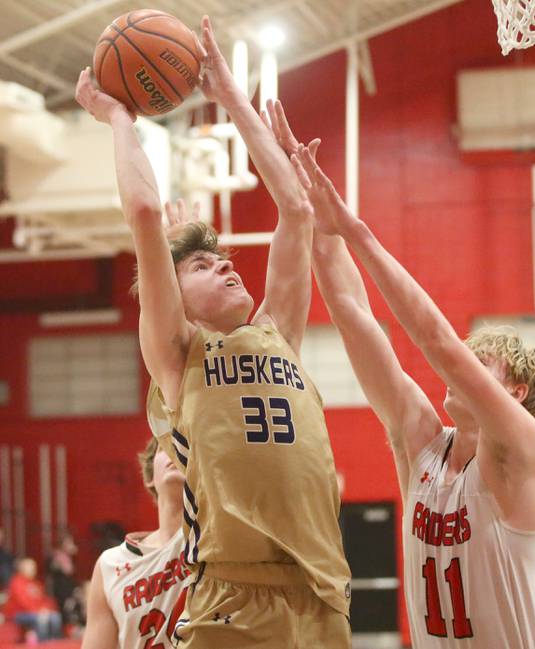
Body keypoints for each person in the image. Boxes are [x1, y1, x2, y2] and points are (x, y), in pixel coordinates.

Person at [74, 14, 351, 649]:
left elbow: (298, 208)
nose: (226, 264)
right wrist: (120, 120)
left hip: (322, 591)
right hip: (231, 593)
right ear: (174, 295)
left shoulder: (276, 333)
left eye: (222, 258)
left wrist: (230, 96)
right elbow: (143, 210)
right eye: (201, 264)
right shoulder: (178, 354)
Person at [293, 143, 535, 648]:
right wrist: (309, 213)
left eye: (479, 364)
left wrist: (354, 228)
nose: (459, 368)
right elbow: (353, 315)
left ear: (515, 392)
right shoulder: (423, 447)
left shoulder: (521, 450)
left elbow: (435, 340)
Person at [82, 432, 190, 649]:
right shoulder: (110, 565)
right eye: (165, 447)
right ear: (150, 476)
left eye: (185, 445)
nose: (175, 451)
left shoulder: (217, 538)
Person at [5, 557, 62, 643]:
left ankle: (55, 642)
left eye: (34, 567)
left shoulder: (36, 583)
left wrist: (47, 609)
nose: (34, 570)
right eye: (31, 568)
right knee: (41, 619)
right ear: (22, 569)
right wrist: (39, 611)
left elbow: (45, 600)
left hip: (37, 612)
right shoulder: (16, 582)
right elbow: (23, 602)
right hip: (19, 614)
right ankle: (43, 643)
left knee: (55, 617)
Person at [46, 533, 80, 629]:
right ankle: (66, 629)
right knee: (66, 608)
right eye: (68, 543)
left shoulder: (70, 557)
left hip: (69, 586)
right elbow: (61, 572)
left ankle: (74, 626)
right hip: (61, 589)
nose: (71, 545)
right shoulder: (56, 556)